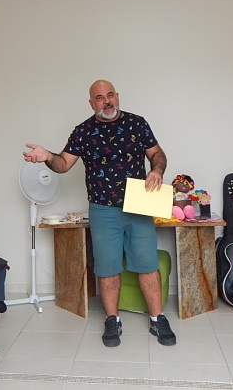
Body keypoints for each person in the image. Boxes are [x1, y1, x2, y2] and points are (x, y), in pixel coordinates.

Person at [23, 79, 176, 347]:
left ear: (117, 96)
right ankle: (112, 320)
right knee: (107, 268)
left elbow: (157, 154)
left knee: (147, 264)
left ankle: (157, 318)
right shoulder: (83, 131)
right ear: (91, 103)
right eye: (99, 97)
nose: (107, 101)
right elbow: (63, 164)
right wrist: (46, 155)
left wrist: (157, 170)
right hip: (102, 209)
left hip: (139, 206)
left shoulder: (137, 123)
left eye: (110, 95)